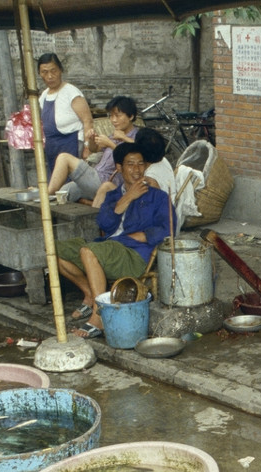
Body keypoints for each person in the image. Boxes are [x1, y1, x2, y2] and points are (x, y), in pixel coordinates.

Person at [55, 142, 170, 338]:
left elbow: (168, 227)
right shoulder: (113, 194)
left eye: (140, 164)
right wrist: (126, 198)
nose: (136, 169)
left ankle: (98, 318)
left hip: (134, 255)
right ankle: (91, 294)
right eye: (130, 164)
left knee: (88, 251)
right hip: (108, 246)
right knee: (56, 250)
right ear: (119, 168)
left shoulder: (156, 195)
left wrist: (144, 235)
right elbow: (104, 222)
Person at [46, 95, 138, 205]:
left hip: (108, 183)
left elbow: (133, 158)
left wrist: (110, 144)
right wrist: (92, 140)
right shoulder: (115, 133)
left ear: (131, 116)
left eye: (118, 116)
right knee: (64, 192)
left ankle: (45, 195)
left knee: (64, 158)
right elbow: (94, 149)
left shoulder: (137, 137)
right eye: (111, 116)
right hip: (95, 177)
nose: (113, 120)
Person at [36, 53, 94, 181]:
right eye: (44, 72)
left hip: (72, 145)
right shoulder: (44, 96)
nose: (50, 76)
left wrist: (87, 147)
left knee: (71, 185)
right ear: (40, 74)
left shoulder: (71, 92)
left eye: (53, 71)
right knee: (56, 184)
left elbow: (87, 121)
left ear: (61, 70)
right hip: (53, 148)